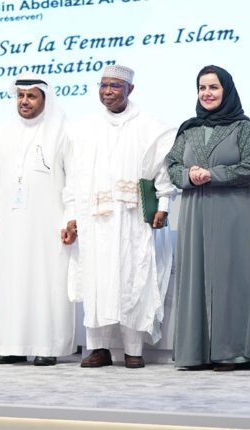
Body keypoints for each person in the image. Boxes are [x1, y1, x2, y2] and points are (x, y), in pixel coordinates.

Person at [165, 65, 250, 371]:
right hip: (195, 212)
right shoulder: (189, 129)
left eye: (213, 87)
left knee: (231, 277)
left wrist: (214, 174)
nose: (207, 93)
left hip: (232, 213)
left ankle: (234, 352)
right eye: (202, 88)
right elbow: (172, 165)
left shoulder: (243, 127)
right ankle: (196, 352)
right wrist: (188, 175)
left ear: (226, 90)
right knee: (195, 277)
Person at [70, 65, 176, 369]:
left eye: (115, 86)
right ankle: (98, 348)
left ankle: (133, 350)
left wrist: (164, 205)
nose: (107, 91)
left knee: (134, 279)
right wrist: (71, 215)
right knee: (97, 280)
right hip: (95, 219)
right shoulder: (85, 128)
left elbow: (162, 170)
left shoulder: (149, 126)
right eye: (103, 85)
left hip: (133, 219)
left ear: (130, 89)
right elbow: (75, 177)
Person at [0, 73, 77, 366]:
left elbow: (74, 180)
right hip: (11, 223)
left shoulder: (62, 131)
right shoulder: (3, 132)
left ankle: (47, 346)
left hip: (49, 224)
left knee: (46, 282)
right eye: (20, 96)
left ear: (45, 99)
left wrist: (71, 218)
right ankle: (12, 345)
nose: (24, 101)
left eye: (31, 96)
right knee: (11, 282)